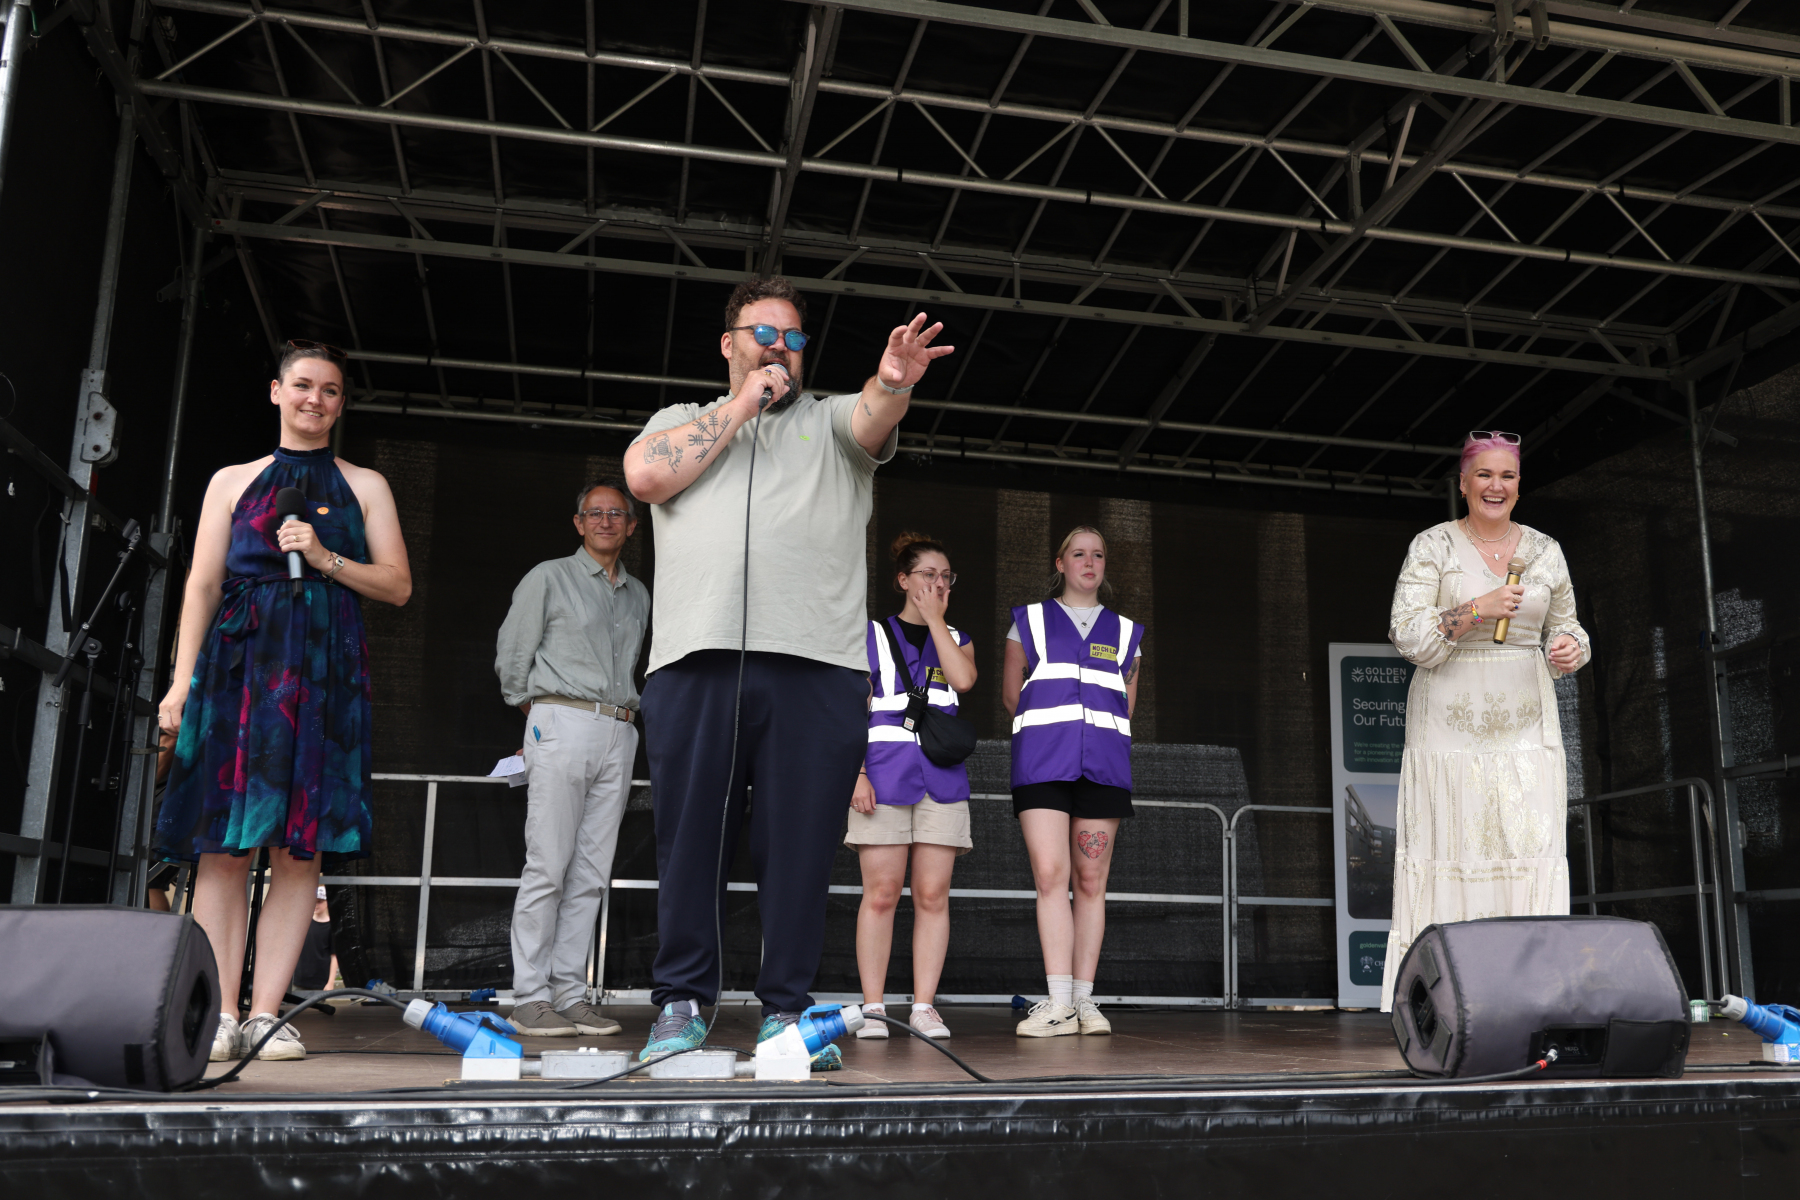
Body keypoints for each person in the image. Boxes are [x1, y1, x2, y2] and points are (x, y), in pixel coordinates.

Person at [622, 277, 952, 1068]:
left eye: (794, 338)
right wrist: (742, 406)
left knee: (800, 849)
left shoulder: (828, 422)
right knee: (690, 842)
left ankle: (786, 1014)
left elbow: (873, 415)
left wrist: (893, 382)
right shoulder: (680, 420)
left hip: (816, 668)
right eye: (763, 334)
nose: (780, 347)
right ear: (728, 344)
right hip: (698, 660)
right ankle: (682, 1002)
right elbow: (645, 478)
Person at [154, 339, 412, 1062]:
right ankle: (219, 1012)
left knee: (301, 853)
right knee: (223, 849)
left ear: (340, 403)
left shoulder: (366, 484)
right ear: (276, 391)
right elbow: (202, 585)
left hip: (326, 678)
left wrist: (326, 558)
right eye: (302, 385)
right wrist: (181, 682)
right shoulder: (232, 481)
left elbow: (397, 584)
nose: (314, 400)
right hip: (239, 669)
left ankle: (268, 1013)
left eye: (329, 390)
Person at [1380, 431, 1589, 1012]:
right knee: (1451, 846)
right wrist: (1477, 609)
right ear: (1464, 483)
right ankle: (1443, 998)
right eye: (1485, 475)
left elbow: (1569, 625)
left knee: (1528, 844)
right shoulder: (1433, 545)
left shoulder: (1545, 549)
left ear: (1519, 485)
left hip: (1526, 722)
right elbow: (1407, 636)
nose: (1496, 486)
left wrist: (1571, 648)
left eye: (1508, 476)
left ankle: (1532, 995)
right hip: (1448, 724)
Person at [493, 480, 649, 1037]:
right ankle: (531, 996)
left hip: (620, 729)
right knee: (548, 864)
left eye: (617, 513)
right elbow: (512, 656)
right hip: (562, 717)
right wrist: (537, 717)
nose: (606, 520)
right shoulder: (548, 576)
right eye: (595, 513)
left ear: (632, 526)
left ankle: (569, 992)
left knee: (591, 872)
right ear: (578, 523)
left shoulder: (638, 593)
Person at [1002, 526, 1144, 1038]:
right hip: (1042, 765)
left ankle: (1084, 1001)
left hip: (1103, 767)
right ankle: (1058, 1003)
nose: (1089, 562)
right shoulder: (1028, 621)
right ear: (1060, 564)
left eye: (1098, 555)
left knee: (1090, 881)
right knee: (1050, 876)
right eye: (1079, 554)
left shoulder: (1126, 632)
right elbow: (1012, 696)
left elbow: (1127, 707)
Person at [847, 533, 978, 1042]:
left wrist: (936, 619)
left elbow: (963, 681)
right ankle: (874, 1008)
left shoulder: (957, 636)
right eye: (928, 575)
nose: (938, 583)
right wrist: (856, 774)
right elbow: (851, 711)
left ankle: (924, 1007)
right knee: (881, 894)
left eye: (946, 577)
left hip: (942, 780)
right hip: (881, 776)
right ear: (903, 580)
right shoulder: (871, 635)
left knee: (932, 895)